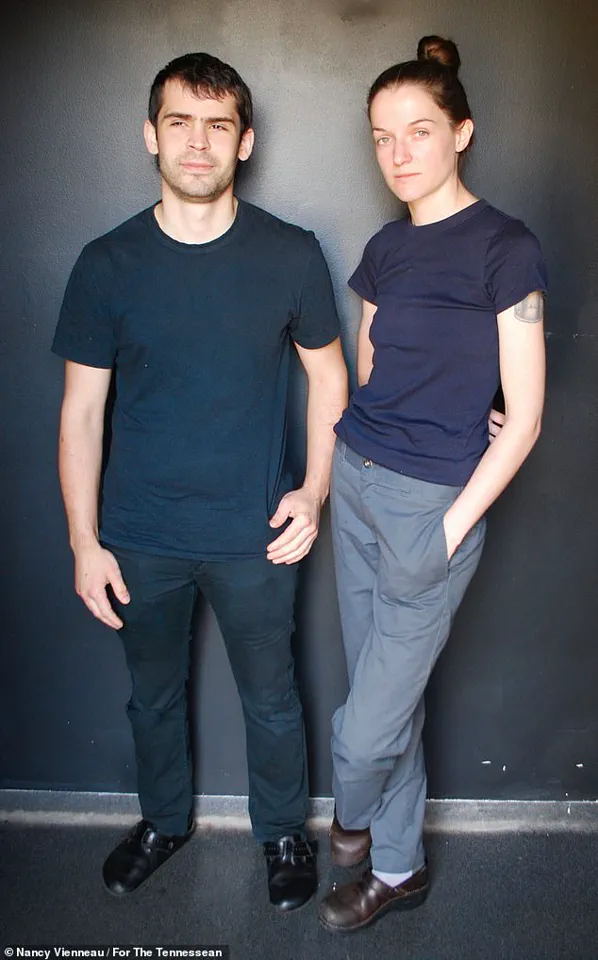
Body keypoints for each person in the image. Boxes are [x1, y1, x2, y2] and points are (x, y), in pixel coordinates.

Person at [52, 52, 348, 911]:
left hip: (254, 531)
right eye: (179, 122)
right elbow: (80, 413)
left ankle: (283, 831)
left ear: (244, 142)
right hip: (137, 534)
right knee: (153, 697)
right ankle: (164, 821)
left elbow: (330, 378)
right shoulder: (106, 263)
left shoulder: (290, 254)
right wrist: (83, 542)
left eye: (218, 126)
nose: (198, 142)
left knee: (273, 696)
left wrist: (313, 490)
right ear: (150, 135)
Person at [319, 35, 547, 933]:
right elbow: (374, 368)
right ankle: (398, 867)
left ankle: (352, 821)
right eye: (381, 136)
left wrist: (449, 530)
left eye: (418, 130)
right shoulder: (384, 248)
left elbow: (525, 419)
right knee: (393, 695)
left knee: (362, 730)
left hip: (431, 509)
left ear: (462, 132)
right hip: (357, 481)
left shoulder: (506, 247)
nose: (398, 153)